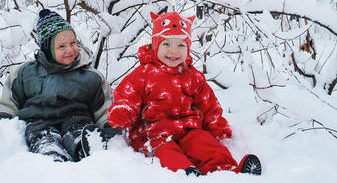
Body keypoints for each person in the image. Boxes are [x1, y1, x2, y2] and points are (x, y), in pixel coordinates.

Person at [107, 11, 262, 176]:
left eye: (181, 45)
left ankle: (228, 172)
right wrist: (123, 112)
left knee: (206, 145)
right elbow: (127, 97)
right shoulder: (143, 74)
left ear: (188, 48)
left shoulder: (193, 76)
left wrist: (217, 127)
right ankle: (185, 174)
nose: (174, 51)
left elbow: (208, 104)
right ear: (155, 44)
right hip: (153, 135)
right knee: (166, 152)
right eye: (166, 44)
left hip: (189, 131)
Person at [0, 9, 120, 162]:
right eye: (62, 47)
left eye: (73, 43)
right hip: (39, 122)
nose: (70, 50)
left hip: (76, 120)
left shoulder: (89, 76)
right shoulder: (26, 73)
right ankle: (51, 156)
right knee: (43, 139)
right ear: (47, 50)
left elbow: (103, 106)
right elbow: (10, 100)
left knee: (79, 132)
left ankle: (85, 149)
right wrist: (4, 119)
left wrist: (109, 125)